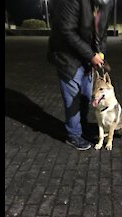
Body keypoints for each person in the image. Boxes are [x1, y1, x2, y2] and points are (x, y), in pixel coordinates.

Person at [47, 0, 113, 150]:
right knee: (73, 100)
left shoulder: (107, 3)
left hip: (87, 58)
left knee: (86, 96)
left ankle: (82, 128)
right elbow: (67, 32)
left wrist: (100, 53)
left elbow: (102, 32)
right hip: (67, 57)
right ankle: (74, 135)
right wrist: (91, 55)